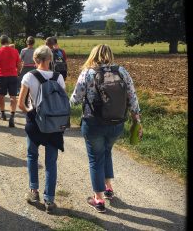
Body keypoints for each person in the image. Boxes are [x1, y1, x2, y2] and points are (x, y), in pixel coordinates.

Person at [69, 44, 143, 213]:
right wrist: (137, 118)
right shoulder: (122, 71)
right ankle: (108, 188)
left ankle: (99, 199)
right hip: (117, 123)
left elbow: (76, 99)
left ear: (93, 55)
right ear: (110, 55)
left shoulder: (88, 73)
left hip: (93, 123)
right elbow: (132, 97)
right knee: (107, 152)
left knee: (95, 159)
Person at [18, 45, 65, 214]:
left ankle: (34, 191)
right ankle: (50, 200)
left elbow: (20, 104)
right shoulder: (58, 77)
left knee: (32, 155)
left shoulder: (29, 76)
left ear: (35, 60)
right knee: (51, 162)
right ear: (50, 59)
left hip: (35, 123)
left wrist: (31, 112)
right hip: (54, 124)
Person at [0, 35, 22, 127]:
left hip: (3, 76)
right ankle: (12, 116)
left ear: (0, 42)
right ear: (8, 41)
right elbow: (19, 64)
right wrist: (18, 73)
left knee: (1, 96)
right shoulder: (15, 51)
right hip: (13, 75)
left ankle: (3, 114)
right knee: (13, 96)